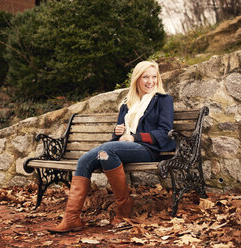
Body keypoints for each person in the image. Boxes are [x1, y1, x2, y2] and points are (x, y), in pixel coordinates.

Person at [47, 60, 176, 233]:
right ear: (137, 79)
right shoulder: (127, 103)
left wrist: (134, 137)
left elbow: (165, 132)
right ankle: (71, 219)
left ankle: (124, 207)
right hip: (124, 148)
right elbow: (117, 138)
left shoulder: (163, 100)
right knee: (86, 159)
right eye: (145, 77)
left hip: (149, 149)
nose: (150, 81)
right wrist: (117, 131)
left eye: (154, 77)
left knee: (107, 150)